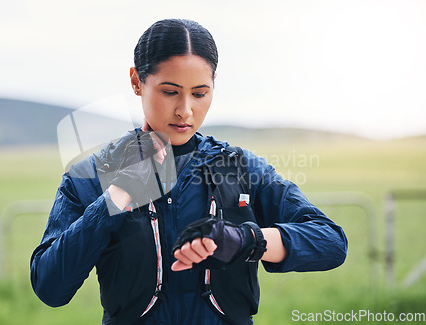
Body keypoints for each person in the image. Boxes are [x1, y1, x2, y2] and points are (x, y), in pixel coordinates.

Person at [30, 19, 347, 325]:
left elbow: (331, 242)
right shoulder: (90, 175)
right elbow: (50, 287)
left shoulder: (243, 167)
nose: (185, 110)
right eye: (170, 91)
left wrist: (246, 240)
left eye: (199, 93)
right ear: (136, 81)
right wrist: (116, 196)